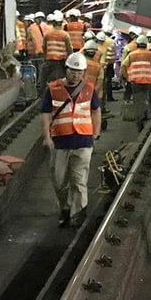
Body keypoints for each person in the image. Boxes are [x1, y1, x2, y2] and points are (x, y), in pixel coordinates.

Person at [41, 53, 101, 228]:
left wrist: (95, 132)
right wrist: (46, 136)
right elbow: (45, 113)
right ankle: (65, 208)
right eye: (73, 71)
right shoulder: (53, 89)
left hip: (83, 141)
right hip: (61, 142)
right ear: (66, 70)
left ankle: (79, 214)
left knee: (79, 180)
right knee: (59, 181)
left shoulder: (89, 90)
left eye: (79, 72)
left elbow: (96, 111)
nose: (76, 75)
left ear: (83, 73)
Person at [121, 35, 151, 132]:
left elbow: (123, 65)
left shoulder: (132, 55)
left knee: (139, 101)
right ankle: (150, 114)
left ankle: (140, 120)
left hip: (136, 81)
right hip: (149, 81)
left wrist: (127, 77)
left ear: (137, 44)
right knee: (150, 98)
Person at [41, 13, 73, 90]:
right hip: (61, 61)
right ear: (61, 23)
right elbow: (69, 49)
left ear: (53, 23)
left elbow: (44, 47)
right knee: (61, 81)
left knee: (48, 79)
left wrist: (46, 56)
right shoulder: (65, 34)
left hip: (49, 60)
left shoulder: (47, 34)